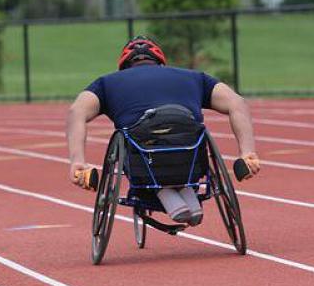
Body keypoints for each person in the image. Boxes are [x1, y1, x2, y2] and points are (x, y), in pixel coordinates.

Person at [66, 35, 260, 225]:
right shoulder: (194, 77)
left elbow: (77, 111)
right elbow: (237, 103)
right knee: (186, 137)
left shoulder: (107, 83)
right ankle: (186, 192)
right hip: (190, 157)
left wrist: (78, 161)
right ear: (161, 62)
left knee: (133, 140)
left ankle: (165, 193)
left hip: (143, 160)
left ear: (124, 66)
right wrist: (247, 152)